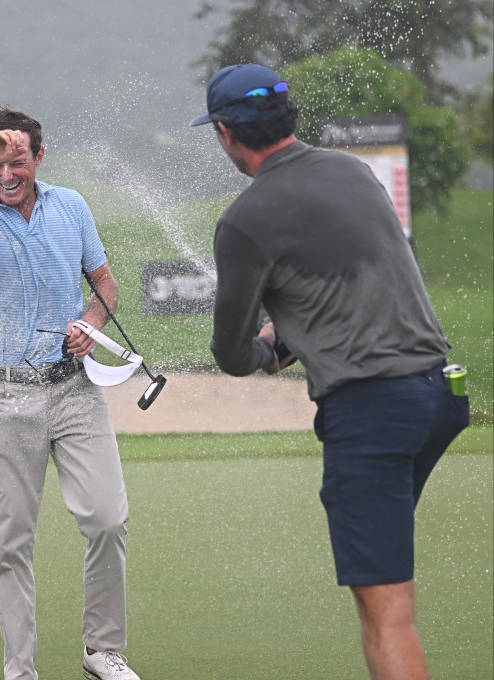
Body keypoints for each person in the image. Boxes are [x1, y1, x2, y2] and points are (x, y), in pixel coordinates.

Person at [191, 64, 470, 680]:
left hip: (374, 413)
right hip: (439, 394)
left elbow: (231, 356)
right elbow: (352, 279)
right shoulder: (352, 170)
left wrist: (270, 350)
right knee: (383, 594)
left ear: (224, 132)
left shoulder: (244, 219)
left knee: (387, 611)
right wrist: (292, 331)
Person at [0, 108, 142, 680]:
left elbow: (105, 284)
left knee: (108, 518)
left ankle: (101, 651)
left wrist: (89, 323)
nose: (6, 174)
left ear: (39, 158)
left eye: (17, 162)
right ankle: (21, 671)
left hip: (74, 392)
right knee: (10, 543)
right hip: (3, 396)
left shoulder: (72, 206)